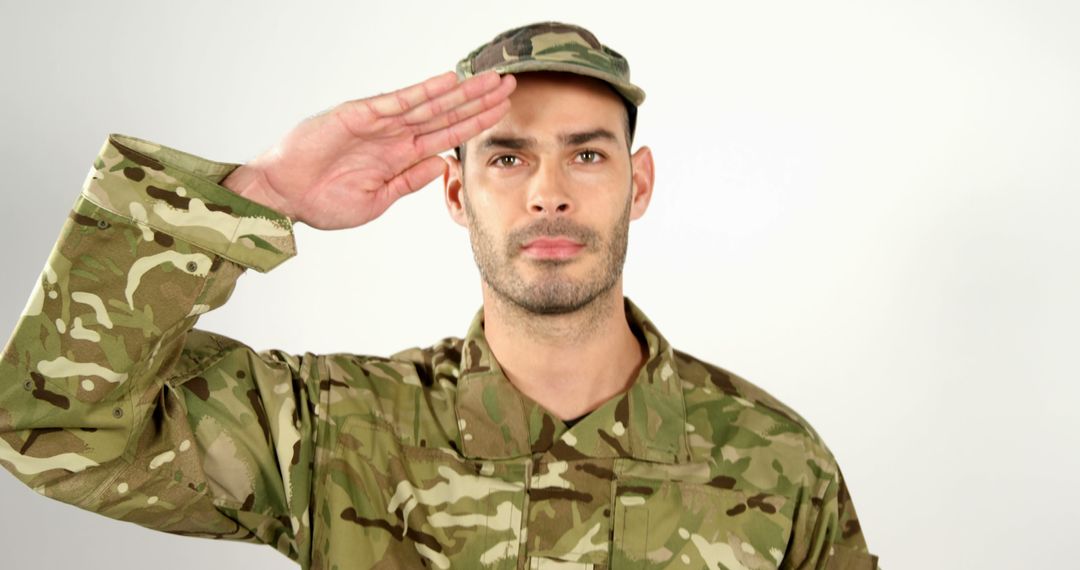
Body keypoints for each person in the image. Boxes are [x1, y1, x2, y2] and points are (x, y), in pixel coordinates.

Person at [0, 21, 879, 569]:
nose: (548, 192)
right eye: (506, 157)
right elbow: (54, 427)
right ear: (455, 193)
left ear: (637, 183)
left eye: (587, 152)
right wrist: (256, 196)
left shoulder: (775, 461)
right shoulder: (335, 431)